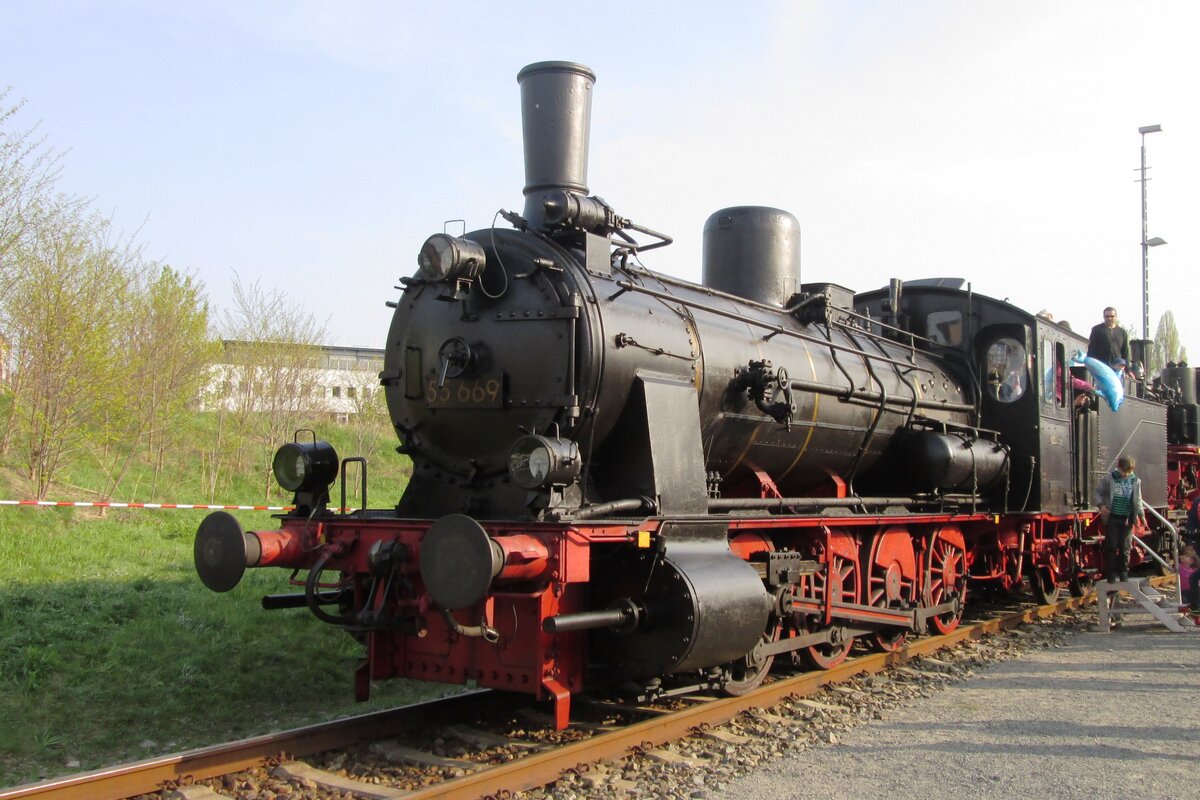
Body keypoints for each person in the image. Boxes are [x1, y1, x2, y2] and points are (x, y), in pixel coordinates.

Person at [1093, 455, 1146, 582]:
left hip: (1127, 519)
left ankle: (1123, 572)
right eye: (1124, 472)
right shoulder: (1109, 478)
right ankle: (1110, 573)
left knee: (1125, 547)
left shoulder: (1135, 481)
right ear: (1119, 468)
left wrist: (1141, 516)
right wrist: (1101, 505)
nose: (1127, 474)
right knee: (1111, 546)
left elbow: (1138, 500)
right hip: (1112, 518)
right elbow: (1098, 492)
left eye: (1129, 472)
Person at [1087, 307, 1131, 373]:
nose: (1109, 318)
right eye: (1107, 316)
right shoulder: (1097, 330)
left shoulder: (1122, 332)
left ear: (1116, 317)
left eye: (1112, 316)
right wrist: (1091, 366)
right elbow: (1091, 349)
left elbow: (1125, 352)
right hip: (1101, 367)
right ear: (1104, 317)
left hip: (1117, 368)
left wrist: (1128, 370)